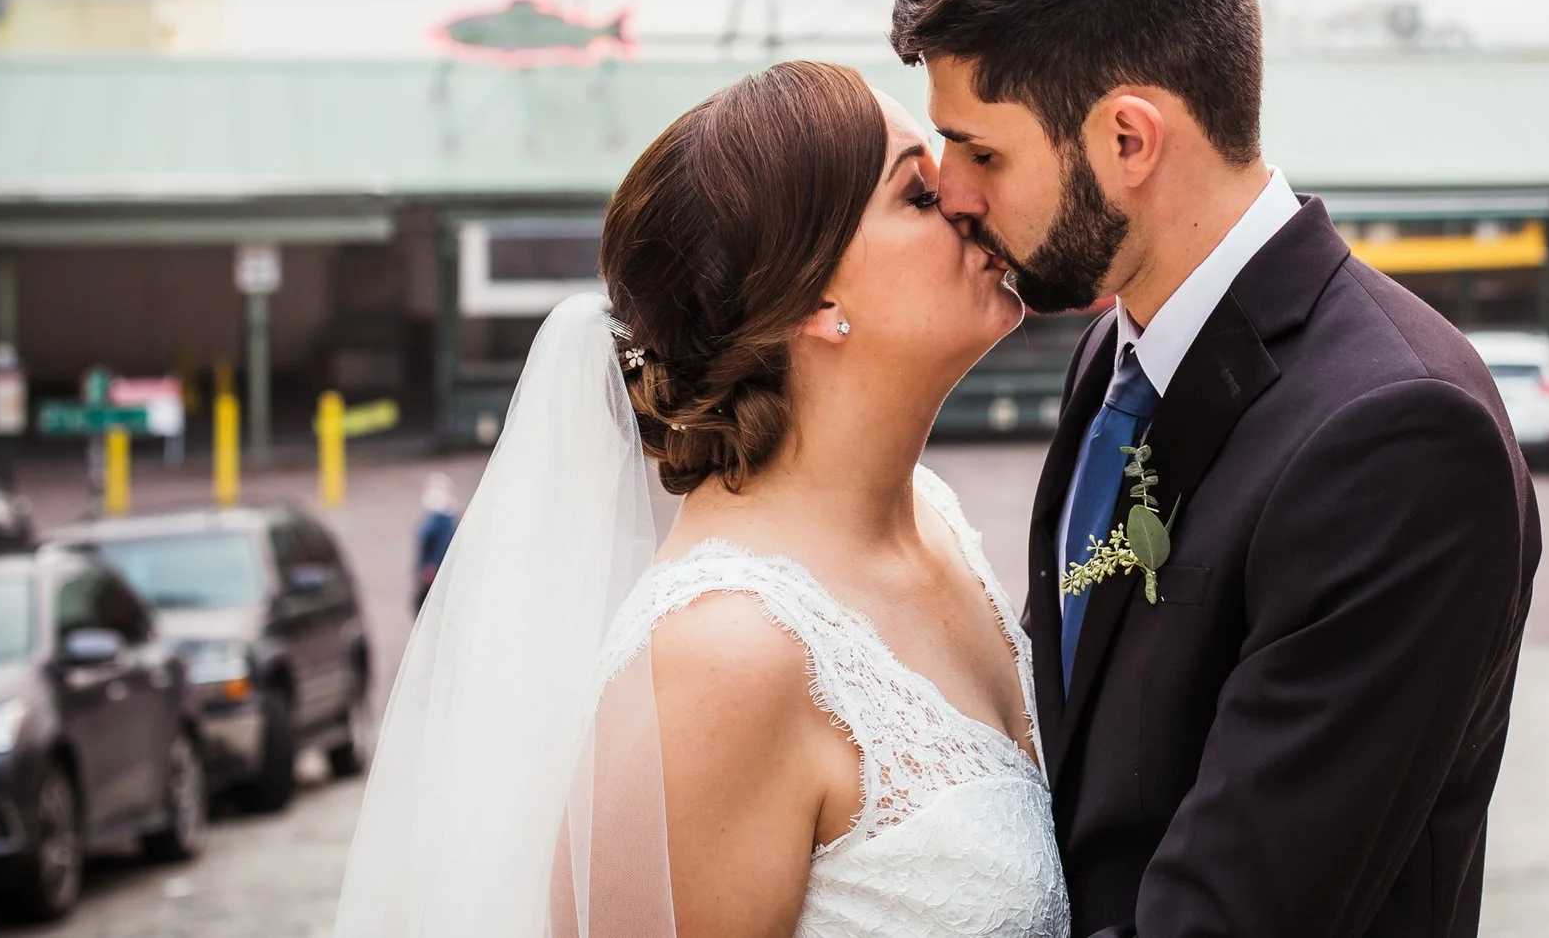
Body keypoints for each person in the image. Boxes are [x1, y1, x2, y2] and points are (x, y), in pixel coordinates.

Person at [890, 0, 1540, 938]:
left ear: (1129, 138)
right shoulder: (1115, 359)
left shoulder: (1396, 436)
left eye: (981, 151)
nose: (950, 192)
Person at [334, 60, 1063, 938]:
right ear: (813, 295)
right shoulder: (721, 656)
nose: (969, 203)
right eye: (917, 194)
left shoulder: (936, 519)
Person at [412, 473, 458, 613]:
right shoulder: (438, 519)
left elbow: (441, 545)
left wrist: (431, 566)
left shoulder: (442, 521)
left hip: (433, 570)